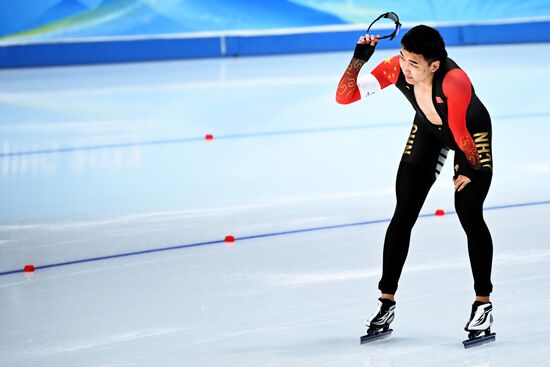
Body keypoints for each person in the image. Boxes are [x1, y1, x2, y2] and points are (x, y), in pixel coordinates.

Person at [336, 25, 494, 340]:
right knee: (403, 212)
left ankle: (483, 305)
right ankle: (386, 302)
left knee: (468, 212)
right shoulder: (397, 67)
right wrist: (359, 59)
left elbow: (461, 133)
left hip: (470, 139)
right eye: (403, 58)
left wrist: (470, 169)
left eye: (415, 64)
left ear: (434, 65)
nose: (406, 68)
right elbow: (345, 96)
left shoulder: (454, 81)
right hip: (428, 131)